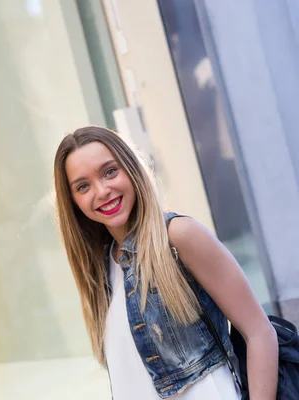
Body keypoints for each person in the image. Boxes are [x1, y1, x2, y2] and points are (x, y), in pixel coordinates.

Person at [53, 126, 278, 399]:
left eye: (110, 171)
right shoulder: (100, 268)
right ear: (73, 201)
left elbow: (259, 332)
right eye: (83, 186)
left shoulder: (178, 237)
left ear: (131, 169)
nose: (102, 191)